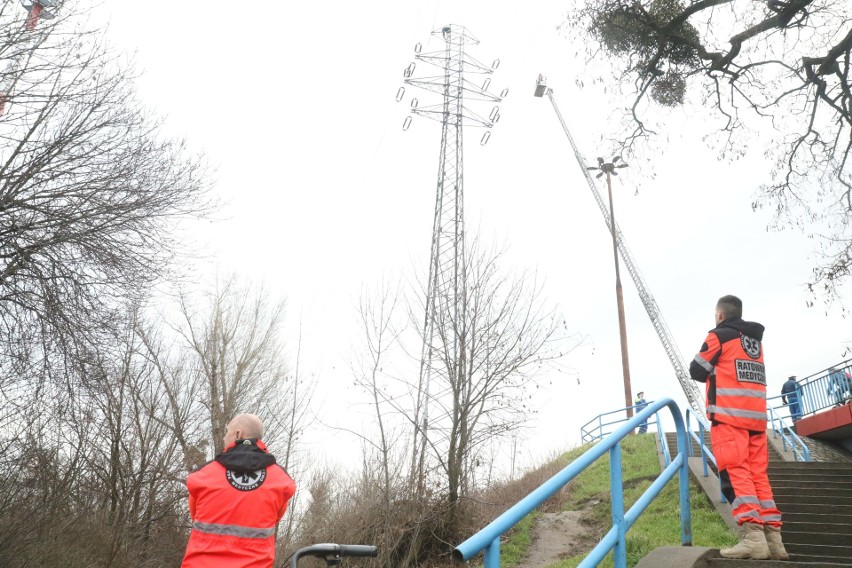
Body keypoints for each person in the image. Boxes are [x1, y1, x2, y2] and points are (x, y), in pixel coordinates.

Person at [688, 295, 787, 560]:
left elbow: (696, 369)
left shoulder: (719, 336)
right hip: (756, 419)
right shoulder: (754, 341)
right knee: (758, 476)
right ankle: (774, 541)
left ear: (720, 315)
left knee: (735, 473)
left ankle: (753, 538)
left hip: (729, 417)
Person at [181, 413, 297, 568]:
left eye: (227, 432)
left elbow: (195, 515)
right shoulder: (280, 480)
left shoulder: (204, 475)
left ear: (238, 434)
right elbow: (275, 519)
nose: (224, 438)